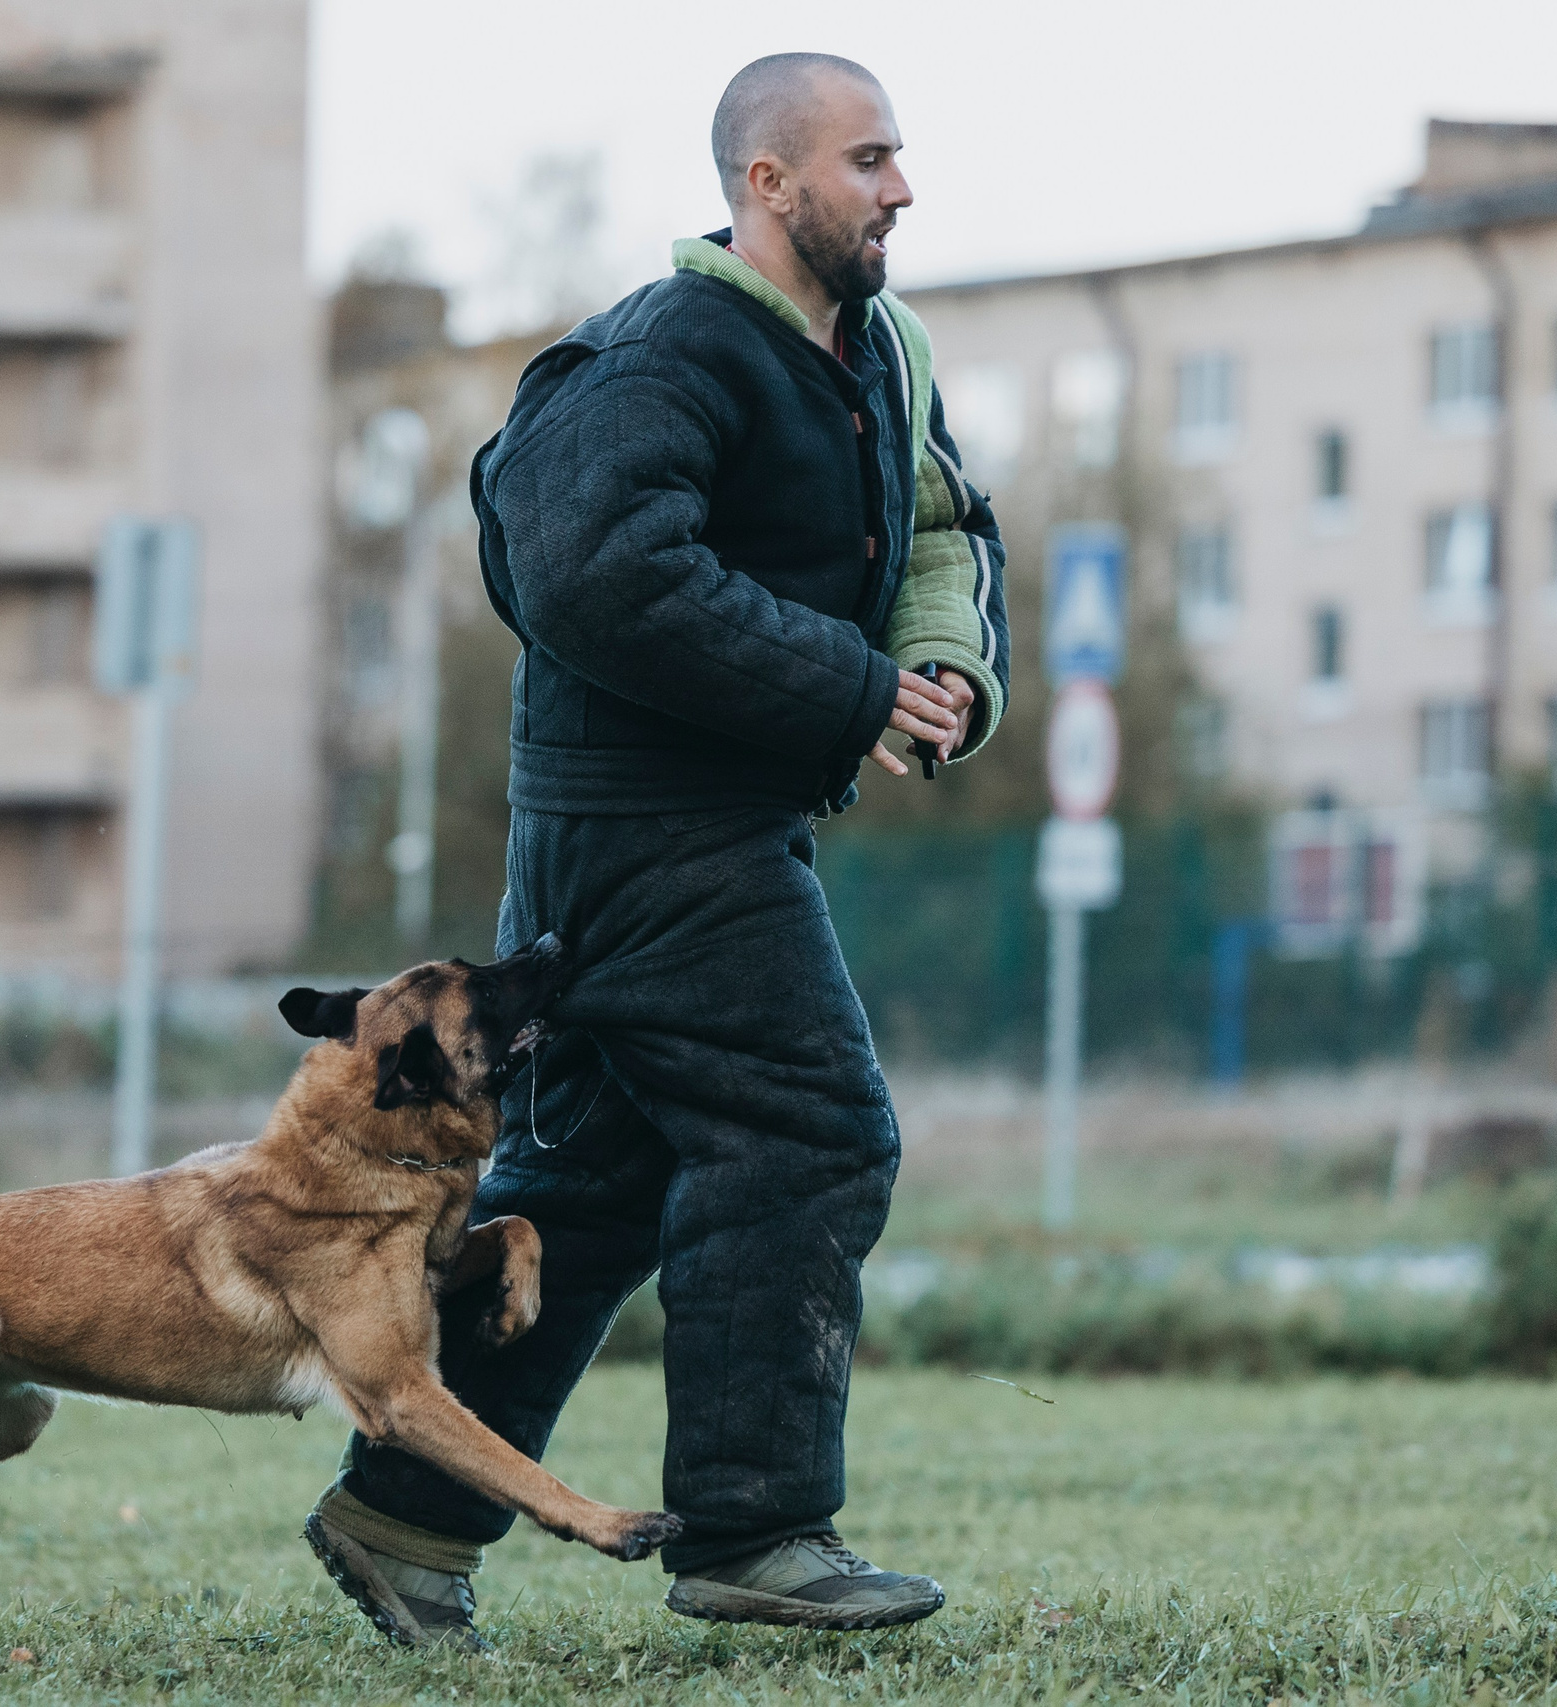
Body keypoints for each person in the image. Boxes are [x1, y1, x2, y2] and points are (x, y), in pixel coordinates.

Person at [305, 52, 1010, 1650]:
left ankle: (404, 1515)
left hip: (710, 823)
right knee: (810, 1132)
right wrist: (849, 686)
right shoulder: (661, 352)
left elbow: (946, 526)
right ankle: (756, 1534)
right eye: (868, 159)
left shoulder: (881, 351)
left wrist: (942, 666)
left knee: (595, 1184)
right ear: (768, 182)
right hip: (641, 829)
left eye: (899, 156)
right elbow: (594, 571)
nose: (901, 187)